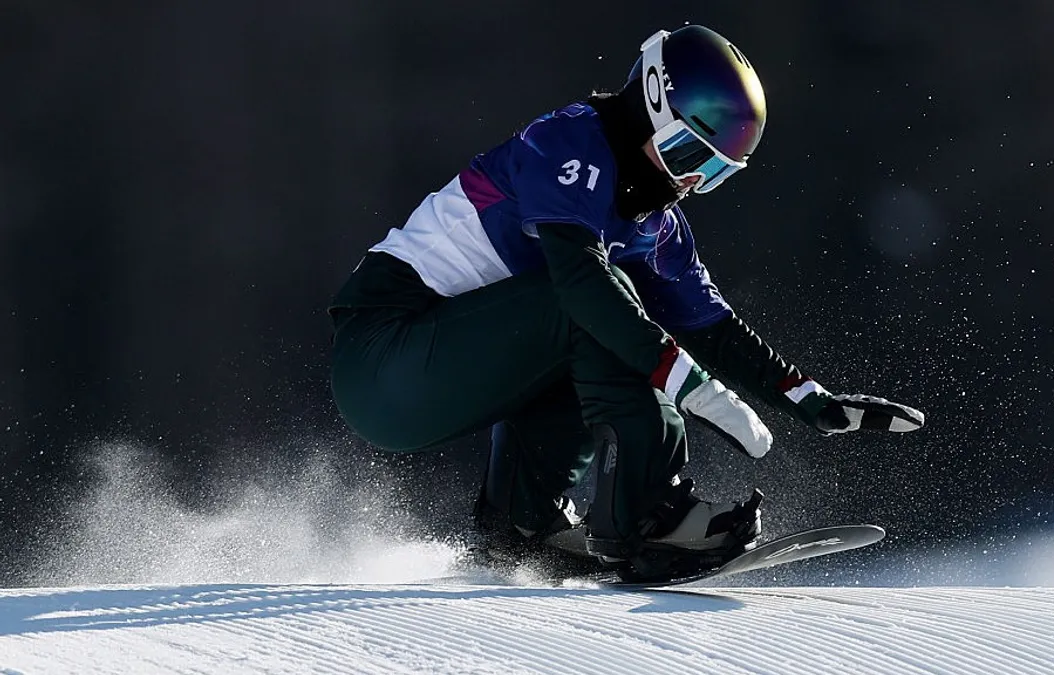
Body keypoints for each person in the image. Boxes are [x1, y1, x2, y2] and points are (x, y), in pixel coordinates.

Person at [327, 25, 925, 580]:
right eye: (691, 158)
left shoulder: (655, 225)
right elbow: (583, 285)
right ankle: (646, 516)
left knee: (605, 317)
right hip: (382, 355)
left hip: (437, 360)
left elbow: (713, 328)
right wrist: (686, 385)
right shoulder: (567, 142)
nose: (691, 185)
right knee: (600, 307)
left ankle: (521, 525)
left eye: (716, 175)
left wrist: (810, 401)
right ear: (652, 106)